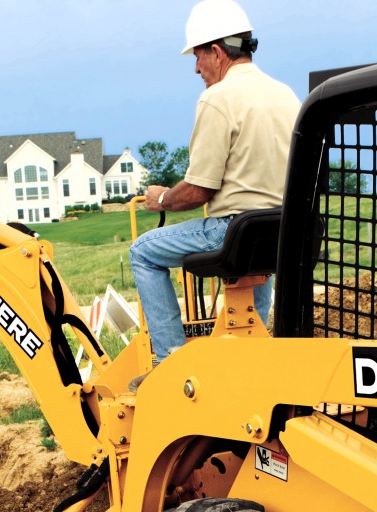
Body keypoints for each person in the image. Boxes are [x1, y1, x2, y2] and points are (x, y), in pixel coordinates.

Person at [129, 0, 301, 374]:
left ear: (217, 51)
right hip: (283, 231)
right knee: (259, 259)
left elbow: (198, 190)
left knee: (143, 251)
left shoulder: (218, 98)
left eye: (198, 57)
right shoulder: (285, 95)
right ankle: (249, 361)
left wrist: (161, 199)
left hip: (233, 230)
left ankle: (169, 364)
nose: (196, 68)